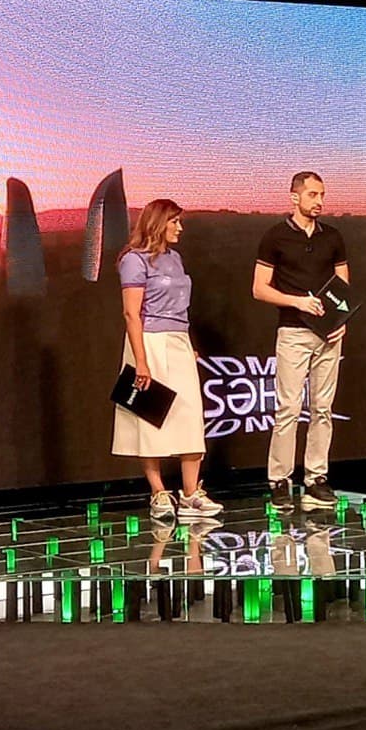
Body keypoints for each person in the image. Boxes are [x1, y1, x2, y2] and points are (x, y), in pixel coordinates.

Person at [112, 199, 223, 521]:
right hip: (148, 342)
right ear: (158, 223)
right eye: (174, 222)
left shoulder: (175, 258)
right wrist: (141, 361)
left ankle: (190, 494)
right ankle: (159, 493)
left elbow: (178, 307)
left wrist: (186, 345)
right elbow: (131, 313)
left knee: (190, 414)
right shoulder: (134, 260)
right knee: (150, 416)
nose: (180, 228)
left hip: (178, 340)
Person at [253, 171, 347, 512]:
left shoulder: (332, 236)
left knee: (323, 408)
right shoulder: (275, 237)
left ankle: (316, 478)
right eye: (312, 194)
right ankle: (279, 480)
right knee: (289, 408)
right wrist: (298, 302)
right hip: (293, 331)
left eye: (322, 194)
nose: (319, 201)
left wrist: (342, 322)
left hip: (328, 335)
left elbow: (343, 287)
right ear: (295, 197)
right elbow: (259, 288)